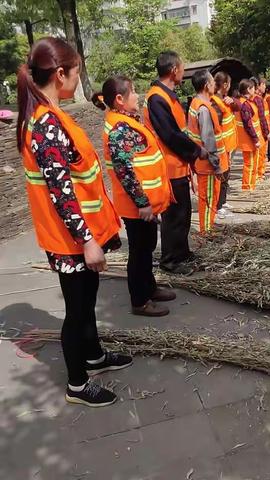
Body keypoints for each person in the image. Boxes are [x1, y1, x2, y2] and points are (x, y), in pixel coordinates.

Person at [17, 37, 131, 408]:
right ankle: (78, 384)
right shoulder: (45, 124)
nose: (78, 80)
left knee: (88, 299)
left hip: (79, 234)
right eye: (77, 72)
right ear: (61, 73)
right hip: (71, 239)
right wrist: (87, 241)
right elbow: (61, 191)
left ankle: (94, 355)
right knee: (77, 309)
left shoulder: (52, 114)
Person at [92, 76, 176, 317]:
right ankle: (140, 300)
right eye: (133, 92)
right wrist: (143, 202)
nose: (138, 95)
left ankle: (149, 288)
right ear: (119, 99)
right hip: (137, 206)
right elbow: (124, 170)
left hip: (143, 204)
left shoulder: (124, 121)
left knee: (147, 247)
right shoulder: (119, 128)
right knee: (139, 252)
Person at [144, 50, 207, 275]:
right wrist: (196, 150)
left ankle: (182, 252)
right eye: (182, 67)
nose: (183, 71)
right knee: (173, 217)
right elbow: (170, 135)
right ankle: (171, 260)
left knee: (183, 213)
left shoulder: (168, 95)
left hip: (178, 164)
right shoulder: (157, 98)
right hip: (168, 167)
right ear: (173, 70)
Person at [187, 70, 229, 233]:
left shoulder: (195, 104)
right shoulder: (203, 109)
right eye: (212, 82)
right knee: (209, 199)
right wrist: (217, 166)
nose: (214, 85)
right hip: (208, 165)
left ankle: (208, 228)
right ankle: (206, 232)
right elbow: (208, 140)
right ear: (206, 85)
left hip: (203, 162)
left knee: (208, 198)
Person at [211, 71, 238, 219]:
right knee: (222, 174)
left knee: (226, 174)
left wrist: (233, 101)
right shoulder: (215, 101)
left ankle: (223, 201)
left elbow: (238, 107)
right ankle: (218, 204)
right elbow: (215, 127)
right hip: (221, 146)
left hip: (228, 145)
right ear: (226, 84)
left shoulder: (225, 100)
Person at [234, 79, 264, 191]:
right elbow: (248, 124)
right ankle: (247, 188)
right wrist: (256, 139)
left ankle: (251, 186)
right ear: (248, 89)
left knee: (252, 163)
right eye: (253, 88)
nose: (255, 90)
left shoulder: (244, 103)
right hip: (249, 140)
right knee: (249, 164)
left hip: (250, 139)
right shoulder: (244, 105)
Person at [250, 77, 270, 180]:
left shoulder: (255, 98)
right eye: (263, 85)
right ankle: (259, 175)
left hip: (258, 131)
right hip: (260, 132)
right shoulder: (257, 99)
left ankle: (260, 173)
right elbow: (262, 118)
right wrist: (267, 132)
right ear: (258, 86)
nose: (265, 87)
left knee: (260, 154)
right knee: (260, 154)